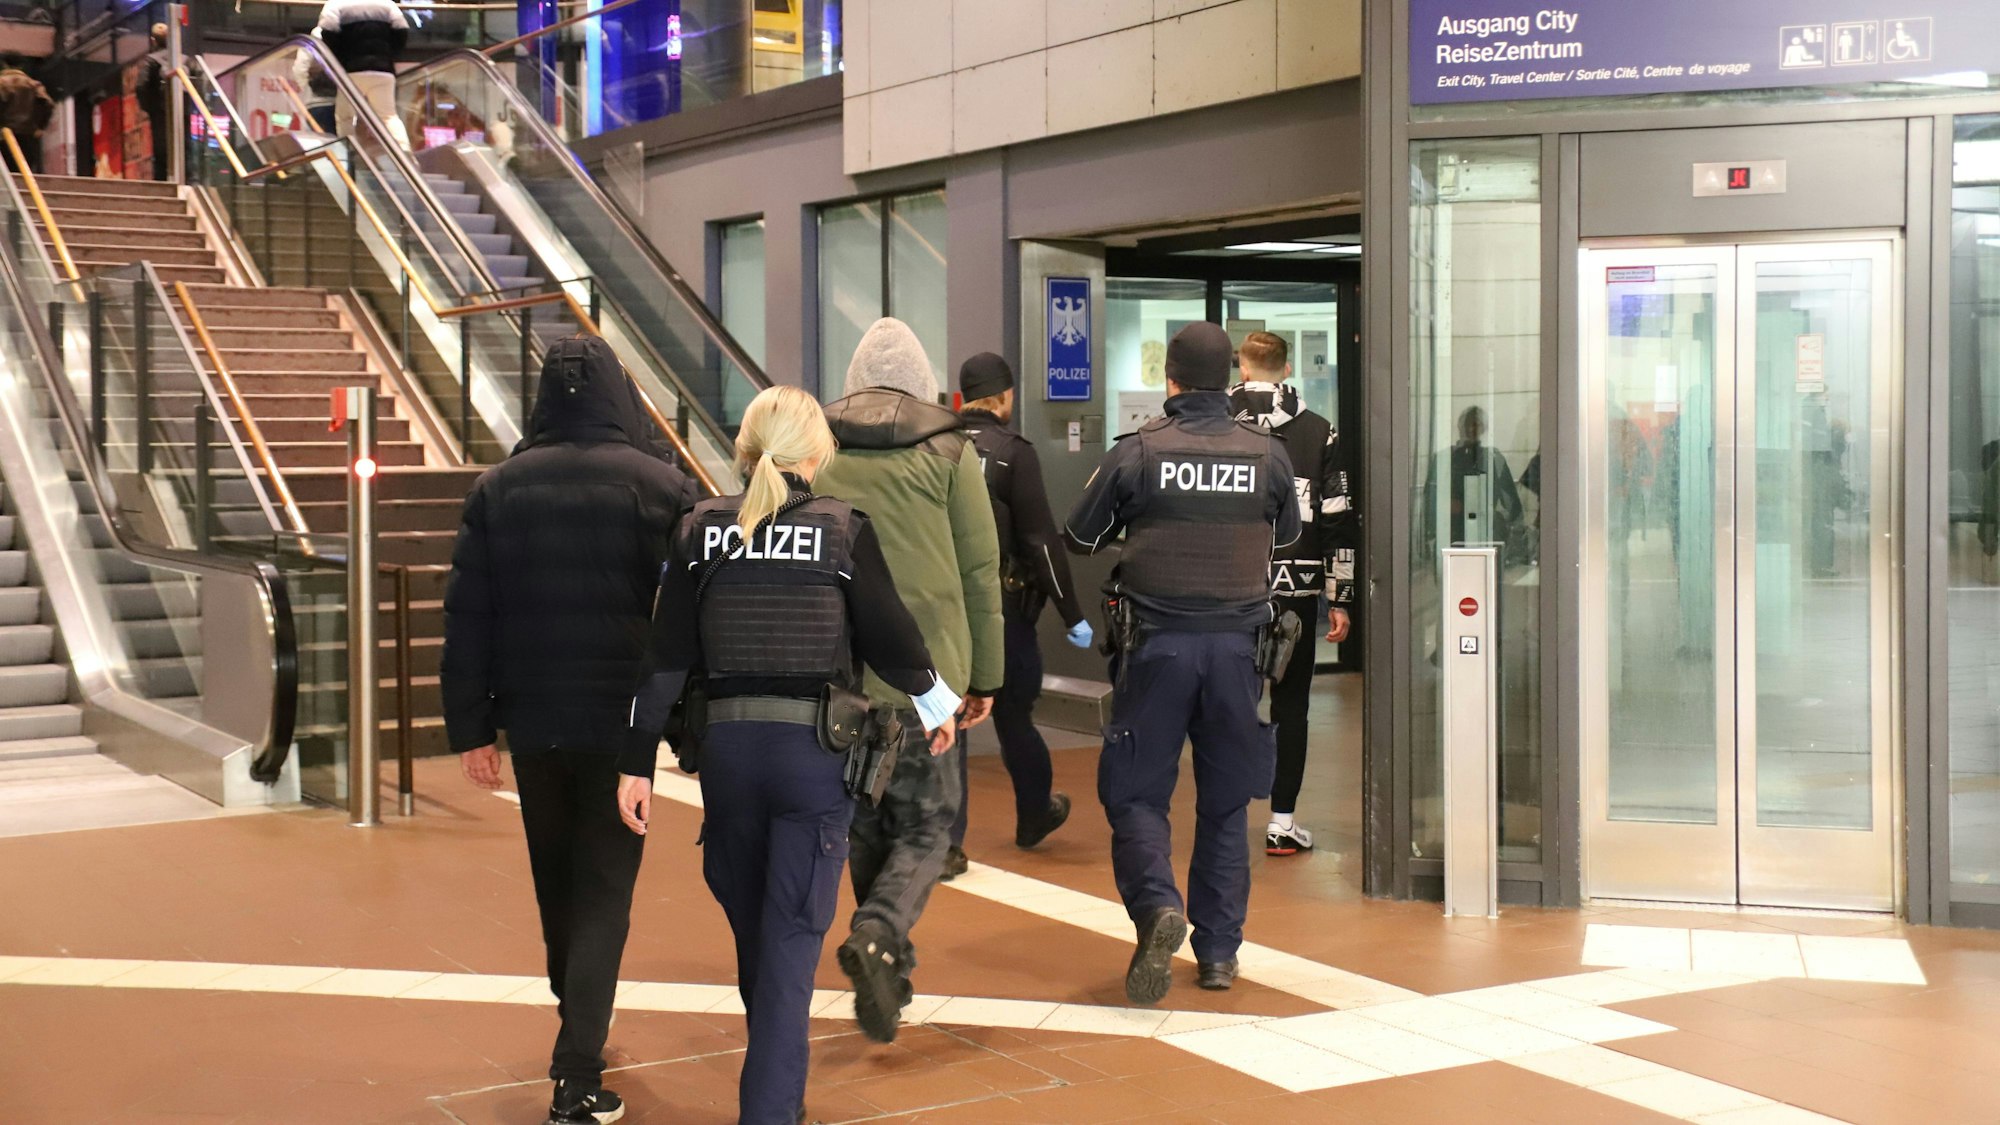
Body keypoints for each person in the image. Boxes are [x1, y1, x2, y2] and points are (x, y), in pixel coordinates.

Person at [617, 386, 960, 1125]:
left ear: (746, 449)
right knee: (791, 941)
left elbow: (664, 658)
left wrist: (635, 763)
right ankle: (770, 1111)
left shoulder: (700, 531)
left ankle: (780, 1091)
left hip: (730, 757)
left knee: (762, 937)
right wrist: (939, 705)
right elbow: (893, 640)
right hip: (813, 756)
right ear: (818, 453)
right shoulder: (840, 532)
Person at [442, 335, 696, 1125]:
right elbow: (692, 610)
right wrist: (685, 720)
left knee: (557, 878)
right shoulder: (661, 485)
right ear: (620, 393)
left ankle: (577, 1010)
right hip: (621, 724)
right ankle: (577, 1072)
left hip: (533, 718)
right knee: (605, 887)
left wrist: (471, 726)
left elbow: (468, 616)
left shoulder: (498, 488)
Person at [1065, 321, 1299, 1002]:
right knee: (1225, 805)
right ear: (1230, 381)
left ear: (1169, 379)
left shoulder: (1138, 452)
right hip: (1238, 652)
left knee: (1137, 792)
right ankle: (1219, 952)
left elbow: (1080, 534)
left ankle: (1157, 906)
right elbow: (1285, 535)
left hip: (1155, 649)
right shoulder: (1268, 453)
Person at [815, 317, 1004, 1042]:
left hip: (844, 677)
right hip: (929, 679)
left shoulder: (819, 447)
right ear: (926, 385)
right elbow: (978, 570)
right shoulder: (951, 452)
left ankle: (886, 959)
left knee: (866, 819)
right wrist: (986, 672)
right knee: (929, 822)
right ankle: (881, 929)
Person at [953, 353, 1093, 866]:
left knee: (947, 715)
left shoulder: (938, 447)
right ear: (1006, 397)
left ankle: (946, 843)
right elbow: (1040, 542)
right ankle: (1034, 811)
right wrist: (1072, 613)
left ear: (962, 397)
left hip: (947, 610)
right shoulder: (1013, 454)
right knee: (1014, 715)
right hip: (1002, 612)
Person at [1226, 331, 1355, 858]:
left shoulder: (1213, 425)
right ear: (1285, 367)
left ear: (1243, 367)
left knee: (1229, 702)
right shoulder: (1319, 431)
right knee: (1292, 705)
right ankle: (1282, 823)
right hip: (1295, 596)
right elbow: (1338, 520)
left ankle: (1226, 816)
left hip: (1227, 594)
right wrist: (1339, 596)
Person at [315, 0, 411, 149]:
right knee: (388, 116)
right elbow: (402, 33)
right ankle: (405, 152)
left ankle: (349, 154)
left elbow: (327, 35)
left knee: (345, 117)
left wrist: (340, 59)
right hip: (383, 70)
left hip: (351, 73)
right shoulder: (387, 4)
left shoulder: (335, 5)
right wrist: (388, 56)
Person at [0, 59, 53, 171]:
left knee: (6, 166)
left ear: (5, 66)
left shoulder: (2, 83)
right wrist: (40, 127)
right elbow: (48, 103)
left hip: (5, 132)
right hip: (28, 132)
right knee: (25, 166)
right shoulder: (34, 84)